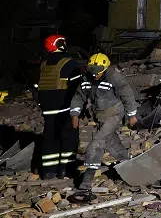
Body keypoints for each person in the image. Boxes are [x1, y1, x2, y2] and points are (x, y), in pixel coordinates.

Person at [70, 53, 137, 196]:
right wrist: (74, 114)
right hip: (99, 114)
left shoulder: (114, 77)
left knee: (97, 142)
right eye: (92, 73)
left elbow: (127, 94)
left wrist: (132, 115)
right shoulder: (87, 78)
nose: (95, 76)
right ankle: (128, 163)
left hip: (114, 113)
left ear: (105, 68)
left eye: (98, 73)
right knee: (110, 140)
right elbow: (78, 96)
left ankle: (86, 183)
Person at [34, 34, 83, 179]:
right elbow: (77, 88)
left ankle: (49, 171)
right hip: (64, 108)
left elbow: (35, 88)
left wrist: (41, 104)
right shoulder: (69, 63)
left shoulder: (43, 64)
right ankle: (66, 170)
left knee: (50, 139)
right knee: (69, 138)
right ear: (60, 44)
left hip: (48, 110)